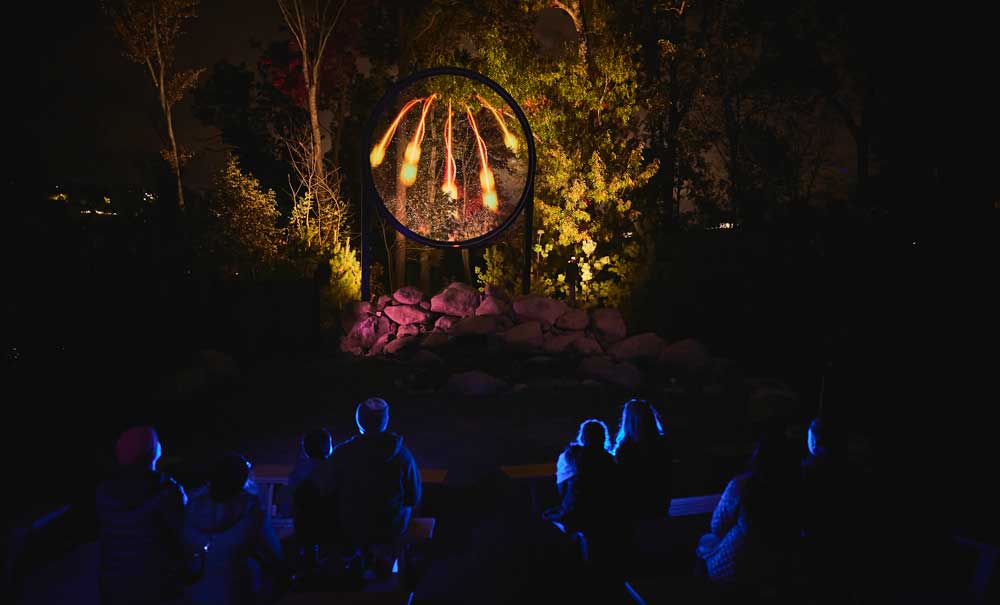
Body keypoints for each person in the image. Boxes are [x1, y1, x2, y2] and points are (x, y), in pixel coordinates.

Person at [321, 398, 422, 577]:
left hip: (352, 526)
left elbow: (327, 491)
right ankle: (392, 570)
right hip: (391, 526)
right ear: (386, 420)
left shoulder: (341, 454)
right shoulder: (403, 456)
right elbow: (413, 497)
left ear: (359, 419)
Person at [696, 426, 802, 594]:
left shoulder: (741, 485)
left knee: (705, 542)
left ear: (757, 455)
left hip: (739, 566)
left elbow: (718, 526)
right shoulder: (800, 485)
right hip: (784, 568)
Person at [96, 426, 188, 605]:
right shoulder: (168, 492)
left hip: (114, 581)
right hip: (155, 583)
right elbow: (182, 535)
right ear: (153, 451)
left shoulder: (103, 491)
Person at [184, 453, 282, 605]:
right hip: (237, 591)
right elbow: (274, 554)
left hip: (196, 592)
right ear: (242, 478)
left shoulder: (191, 505)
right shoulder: (252, 510)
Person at [545, 420, 619, 558]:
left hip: (576, 511)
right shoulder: (610, 460)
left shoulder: (570, 456)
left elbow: (561, 490)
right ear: (603, 438)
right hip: (604, 512)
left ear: (583, 437)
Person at [612, 398, 673, 519]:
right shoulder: (663, 444)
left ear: (628, 420)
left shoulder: (625, 450)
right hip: (660, 506)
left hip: (634, 509)